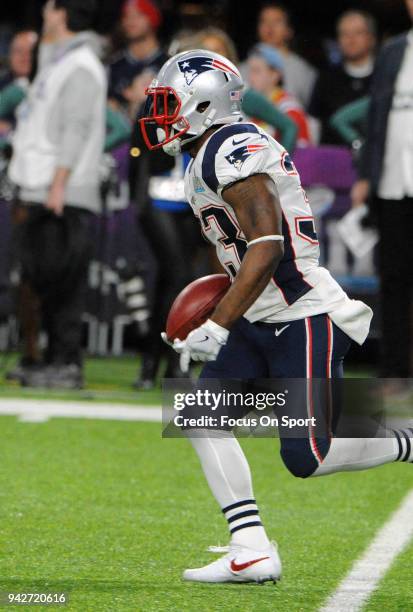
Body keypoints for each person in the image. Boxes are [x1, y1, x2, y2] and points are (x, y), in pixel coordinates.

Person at [139, 49, 412, 584]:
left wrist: (217, 322)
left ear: (204, 104)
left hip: (301, 314)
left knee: (308, 454)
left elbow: (266, 246)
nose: (161, 115)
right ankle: (251, 549)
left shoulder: (232, 147)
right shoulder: (206, 153)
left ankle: (405, 439)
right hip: (262, 316)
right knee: (198, 416)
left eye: (170, 103)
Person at [8, 0, 106, 389]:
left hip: (61, 193)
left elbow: (76, 128)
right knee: (43, 280)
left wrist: (59, 184)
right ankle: (49, 360)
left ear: (61, 13)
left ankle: (67, 362)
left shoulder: (80, 65)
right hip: (45, 187)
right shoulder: (61, 60)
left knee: (63, 283)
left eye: (49, 9)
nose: (43, 16)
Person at [351, 0, 413, 389]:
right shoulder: (393, 51)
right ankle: (394, 371)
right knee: (393, 279)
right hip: (392, 183)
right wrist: (366, 176)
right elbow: (376, 118)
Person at [196, 27, 298, 153]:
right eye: (205, 50)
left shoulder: (239, 94)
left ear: (228, 56)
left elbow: (289, 127)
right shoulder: (192, 95)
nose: (211, 56)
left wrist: (281, 166)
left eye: (217, 50)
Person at [309, 10, 377, 145]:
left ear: (371, 38)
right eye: (345, 34)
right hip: (334, 161)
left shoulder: (385, 76)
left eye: (358, 33)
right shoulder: (326, 79)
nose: (351, 40)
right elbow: (313, 123)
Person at [247, 43, 311, 147]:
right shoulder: (250, 105)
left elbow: (300, 152)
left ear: (275, 75)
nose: (250, 77)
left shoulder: (290, 108)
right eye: (250, 71)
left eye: (256, 71)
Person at [108, 0, 167, 112]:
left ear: (152, 18)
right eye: (126, 16)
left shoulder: (167, 64)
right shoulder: (113, 65)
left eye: (139, 15)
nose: (131, 21)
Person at [256, 2, 317, 109]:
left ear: (289, 31)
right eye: (264, 21)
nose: (269, 27)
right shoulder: (243, 68)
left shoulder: (302, 69)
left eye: (277, 21)